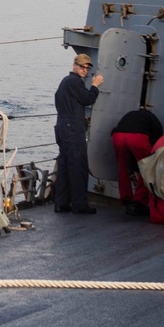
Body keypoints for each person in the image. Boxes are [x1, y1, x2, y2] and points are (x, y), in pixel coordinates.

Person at [53, 53, 103, 215]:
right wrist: (95, 86)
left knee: (64, 165)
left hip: (62, 125)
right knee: (77, 166)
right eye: (82, 67)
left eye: (87, 68)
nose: (85, 70)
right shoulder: (75, 82)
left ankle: (61, 203)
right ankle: (80, 205)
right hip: (72, 129)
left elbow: (64, 102)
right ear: (74, 65)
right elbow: (87, 99)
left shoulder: (64, 82)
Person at [111, 106, 163, 216]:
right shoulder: (155, 122)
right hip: (138, 137)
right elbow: (154, 146)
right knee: (147, 168)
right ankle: (139, 202)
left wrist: (133, 168)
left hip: (118, 136)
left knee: (123, 167)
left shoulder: (131, 114)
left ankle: (126, 198)